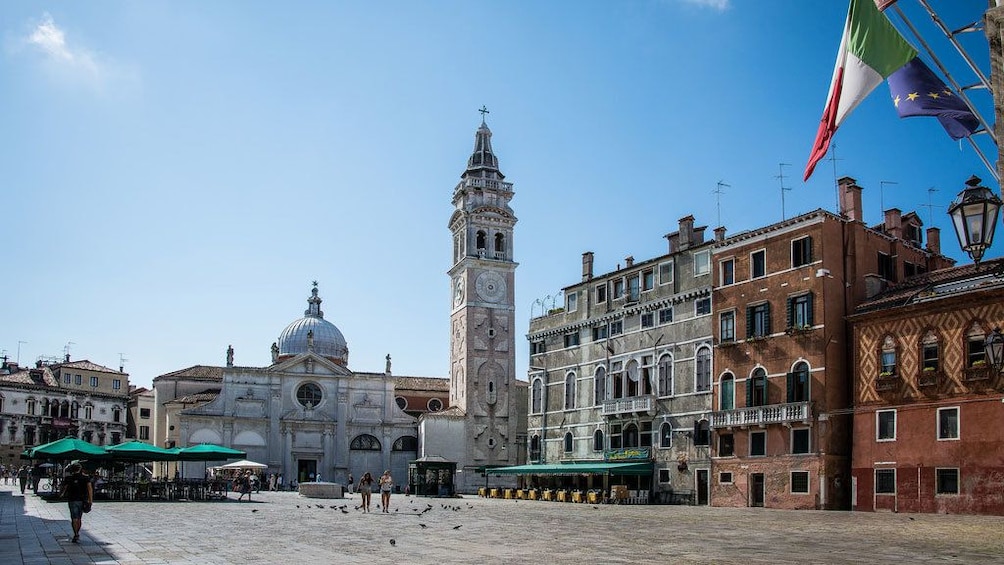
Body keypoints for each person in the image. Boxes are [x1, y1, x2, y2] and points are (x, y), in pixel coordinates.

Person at [60, 461, 92, 544]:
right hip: (82, 500)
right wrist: (90, 500)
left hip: (72, 500)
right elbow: (89, 489)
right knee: (79, 518)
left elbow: (64, 488)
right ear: (80, 469)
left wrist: (62, 494)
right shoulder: (85, 478)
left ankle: (76, 533)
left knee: (74, 518)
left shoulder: (69, 478)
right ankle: (77, 532)